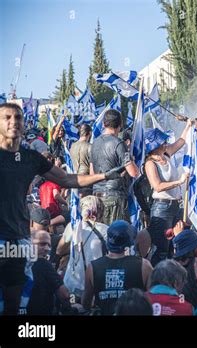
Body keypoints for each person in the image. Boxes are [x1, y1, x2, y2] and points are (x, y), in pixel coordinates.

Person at [0, 102, 123, 315]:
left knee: (15, 304)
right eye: (7, 117)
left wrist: (102, 175)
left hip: (18, 239)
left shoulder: (30, 158)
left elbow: (66, 178)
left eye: (18, 117)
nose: (14, 122)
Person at [144, 123, 192, 265]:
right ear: (155, 145)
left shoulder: (166, 154)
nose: (166, 144)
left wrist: (188, 126)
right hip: (161, 209)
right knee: (162, 249)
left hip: (175, 206)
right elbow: (157, 186)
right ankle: (156, 280)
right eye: (162, 142)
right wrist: (179, 182)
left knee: (174, 246)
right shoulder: (150, 164)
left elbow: (181, 142)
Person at [82, 220, 153, 315]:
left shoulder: (92, 267)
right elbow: (154, 299)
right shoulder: (144, 266)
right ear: (129, 242)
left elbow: (86, 303)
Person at [90, 109, 139, 225]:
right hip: (115, 199)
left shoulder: (94, 143)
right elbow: (134, 173)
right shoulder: (119, 143)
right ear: (120, 125)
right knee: (118, 236)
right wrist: (132, 160)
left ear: (103, 124)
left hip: (96, 197)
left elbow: (92, 174)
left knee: (101, 235)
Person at [59, 195, 108, 300]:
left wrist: (75, 248)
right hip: (95, 285)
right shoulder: (107, 230)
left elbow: (59, 250)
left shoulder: (73, 226)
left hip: (72, 284)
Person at [27, 231, 71, 315]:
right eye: (42, 244)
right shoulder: (44, 264)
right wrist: (69, 310)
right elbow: (64, 294)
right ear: (29, 244)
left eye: (49, 245)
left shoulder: (16, 264)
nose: (47, 248)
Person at [70, 124, 93, 196]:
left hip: (74, 178)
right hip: (86, 179)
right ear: (89, 133)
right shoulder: (90, 146)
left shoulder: (72, 146)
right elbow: (92, 167)